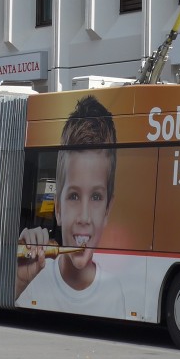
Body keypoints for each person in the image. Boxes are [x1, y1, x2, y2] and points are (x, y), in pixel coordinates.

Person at [15, 95, 126, 317]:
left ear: (107, 210)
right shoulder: (33, 279)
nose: (84, 217)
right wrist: (19, 281)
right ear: (57, 207)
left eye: (96, 197)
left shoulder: (115, 294)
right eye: (74, 196)